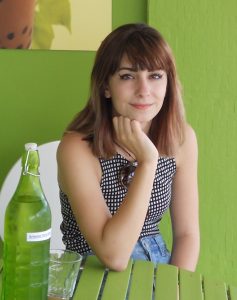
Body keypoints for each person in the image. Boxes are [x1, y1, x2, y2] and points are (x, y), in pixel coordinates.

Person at [57, 23, 199, 272]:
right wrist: (147, 162)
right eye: (127, 76)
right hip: (90, 276)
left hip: (158, 272)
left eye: (155, 76)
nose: (144, 91)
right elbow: (113, 256)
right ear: (106, 87)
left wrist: (176, 290)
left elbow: (187, 234)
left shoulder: (181, 138)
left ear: (168, 83)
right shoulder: (77, 148)